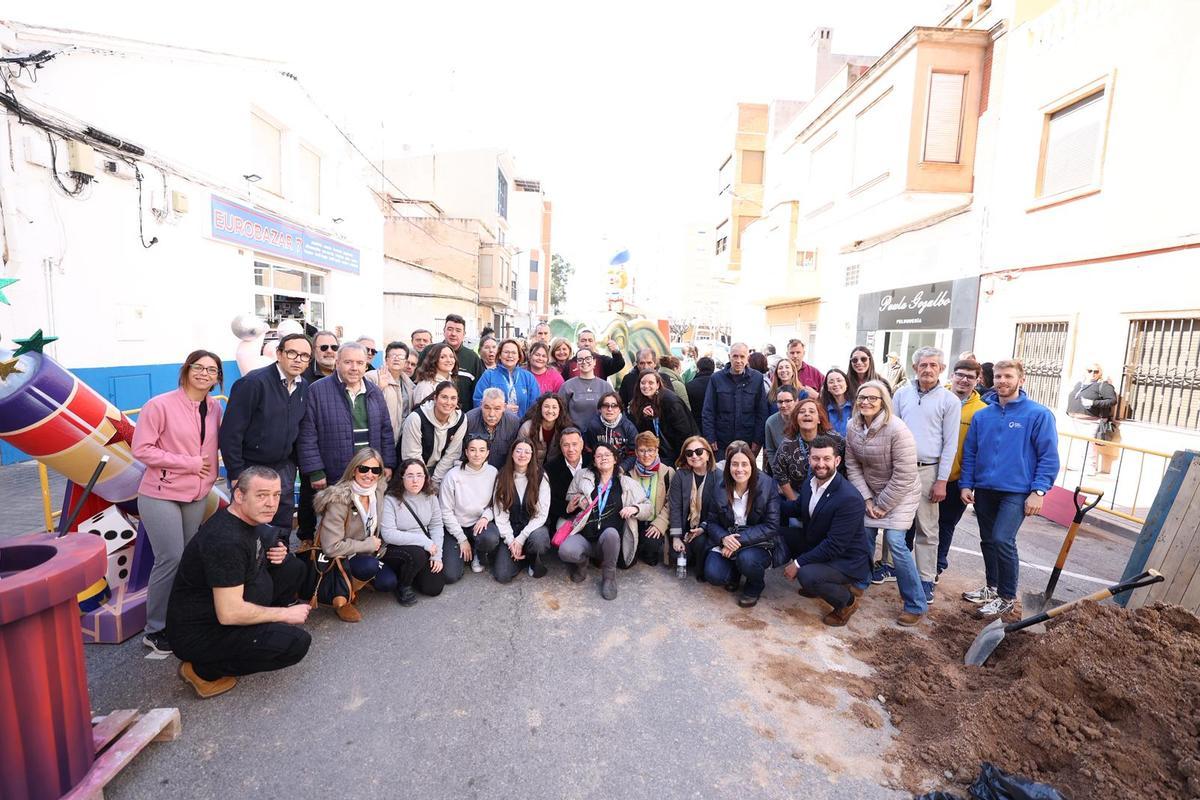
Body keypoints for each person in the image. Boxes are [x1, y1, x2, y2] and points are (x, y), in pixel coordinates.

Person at [167, 466, 311, 699]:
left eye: (276, 495)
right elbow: (229, 613)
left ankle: (260, 627)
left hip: (227, 605)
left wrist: (274, 553)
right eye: (261, 495)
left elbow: (250, 555)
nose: (271, 503)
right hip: (202, 631)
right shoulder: (226, 541)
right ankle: (202, 671)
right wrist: (283, 615)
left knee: (292, 567)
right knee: (294, 644)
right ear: (239, 495)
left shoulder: (243, 520)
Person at [133, 349, 224, 656]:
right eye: (199, 367)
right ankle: (155, 629)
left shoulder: (213, 408)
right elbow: (141, 449)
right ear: (186, 370)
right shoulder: (159, 405)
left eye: (212, 370)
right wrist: (188, 464)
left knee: (187, 560)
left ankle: (180, 618)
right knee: (170, 557)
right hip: (160, 493)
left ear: (217, 378)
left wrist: (208, 480)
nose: (204, 374)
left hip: (196, 493)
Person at [959, 359, 1059, 620]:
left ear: (1021, 380)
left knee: (1003, 539)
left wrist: (1039, 491)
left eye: (1008, 376)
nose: (1002, 381)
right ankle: (991, 589)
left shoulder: (1037, 414)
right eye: (999, 377)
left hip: (1016, 491)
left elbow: (1048, 456)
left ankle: (1006, 597)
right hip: (985, 489)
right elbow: (970, 452)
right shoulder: (983, 415)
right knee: (988, 540)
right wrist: (966, 483)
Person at [844, 380, 926, 626]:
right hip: (871, 491)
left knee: (895, 542)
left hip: (901, 493)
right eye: (862, 397)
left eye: (872, 398)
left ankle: (915, 603)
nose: (866, 402)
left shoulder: (897, 429)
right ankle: (861, 581)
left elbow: (905, 474)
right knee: (864, 536)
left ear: (883, 403)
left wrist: (883, 504)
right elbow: (852, 465)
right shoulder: (853, 426)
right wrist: (867, 498)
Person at [220, 334, 309, 535]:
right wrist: (235, 473)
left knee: (281, 525)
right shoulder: (253, 383)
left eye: (304, 356)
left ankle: (278, 563)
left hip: (283, 468)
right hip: (250, 468)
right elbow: (230, 433)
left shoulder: (303, 386)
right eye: (292, 353)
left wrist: (294, 465)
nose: (298, 359)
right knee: (248, 526)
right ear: (279, 354)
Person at [892, 347, 961, 604]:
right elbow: (893, 431)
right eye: (923, 365)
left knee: (927, 529)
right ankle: (890, 568)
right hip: (900, 467)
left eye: (934, 365)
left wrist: (942, 480)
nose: (928, 369)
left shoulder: (949, 401)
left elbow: (950, 443)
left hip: (928, 469)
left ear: (942, 369)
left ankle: (925, 579)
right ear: (915, 368)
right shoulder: (901, 394)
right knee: (894, 522)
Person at [781, 436, 871, 627]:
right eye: (815, 458)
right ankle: (817, 582)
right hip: (820, 543)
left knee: (806, 574)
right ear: (809, 459)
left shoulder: (849, 498)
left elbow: (834, 546)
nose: (820, 464)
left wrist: (797, 563)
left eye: (826, 459)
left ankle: (846, 603)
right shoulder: (810, 483)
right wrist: (766, 502)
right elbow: (797, 508)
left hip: (846, 560)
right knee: (782, 534)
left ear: (837, 461)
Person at [297, 343, 396, 514]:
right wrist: (315, 471)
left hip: (368, 471)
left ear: (366, 365)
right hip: (335, 471)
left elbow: (385, 431)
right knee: (334, 520)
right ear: (337, 362)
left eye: (359, 363)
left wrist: (387, 464)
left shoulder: (375, 392)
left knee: (364, 516)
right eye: (348, 362)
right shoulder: (317, 390)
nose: (354, 368)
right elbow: (307, 434)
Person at [311, 449, 396, 622]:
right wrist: (368, 545)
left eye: (375, 470)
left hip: (368, 553)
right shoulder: (339, 500)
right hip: (339, 558)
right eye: (363, 469)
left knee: (388, 582)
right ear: (353, 469)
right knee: (369, 566)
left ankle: (358, 581)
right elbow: (330, 547)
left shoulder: (378, 490)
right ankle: (342, 598)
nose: (369, 474)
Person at [559, 442, 650, 600]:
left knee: (612, 534)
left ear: (615, 459)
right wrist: (579, 499)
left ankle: (609, 578)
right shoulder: (583, 475)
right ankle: (582, 565)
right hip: (585, 535)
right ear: (594, 460)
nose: (603, 458)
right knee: (565, 550)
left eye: (607, 455)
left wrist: (635, 509)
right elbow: (569, 495)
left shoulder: (626, 483)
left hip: (609, 539)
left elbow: (648, 508)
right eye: (599, 456)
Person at [702, 441, 783, 608]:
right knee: (713, 574)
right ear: (728, 467)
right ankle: (735, 572)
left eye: (744, 464)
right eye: (735, 464)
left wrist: (737, 541)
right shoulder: (719, 487)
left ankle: (755, 585)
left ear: (752, 465)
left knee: (747, 559)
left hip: (756, 542)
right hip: (728, 538)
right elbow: (711, 522)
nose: (739, 469)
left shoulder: (768, 485)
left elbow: (771, 526)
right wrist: (724, 538)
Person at [937, 359, 987, 581]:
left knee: (945, 525)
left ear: (978, 381)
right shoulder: (937, 398)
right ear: (952, 375)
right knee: (912, 524)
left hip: (956, 479)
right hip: (927, 472)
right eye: (960, 374)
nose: (964, 380)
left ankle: (936, 567)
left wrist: (969, 483)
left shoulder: (982, 412)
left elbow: (978, 451)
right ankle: (900, 565)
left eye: (970, 376)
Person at [380, 458, 445, 605]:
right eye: (410, 475)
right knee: (417, 554)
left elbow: (436, 525)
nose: (415, 480)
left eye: (419, 475)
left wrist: (437, 556)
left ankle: (412, 572)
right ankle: (403, 586)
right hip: (396, 548)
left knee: (434, 588)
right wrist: (424, 542)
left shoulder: (430, 496)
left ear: (425, 477)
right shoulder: (390, 499)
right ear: (401, 476)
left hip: (424, 548)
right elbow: (389, 534)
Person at [487, 437, 552, 582]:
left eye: (527, 452)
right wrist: (511, 541)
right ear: (512, 453)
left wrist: (522, 538)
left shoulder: (541, 476)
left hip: (534, 529)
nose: (522, 455)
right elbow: (500, 514)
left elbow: (541, 514)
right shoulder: (502, 476)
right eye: (519, 451)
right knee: (502, 575)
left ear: (532, 455)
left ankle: (531, 557)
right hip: (511, 529)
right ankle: (519, 557)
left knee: (539, 540)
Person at [438, 434, 498, 581]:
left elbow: (496, 503)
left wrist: (486, 517)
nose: (477, 454)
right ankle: (464, 549)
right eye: (472, 450)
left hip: (480, 525)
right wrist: (461, 538)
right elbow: (445, 511)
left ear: (487, 452)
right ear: (466, 452)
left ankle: (478, 551)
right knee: (450, 575)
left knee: (489, 538)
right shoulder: (452, 476)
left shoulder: (493, 472)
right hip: (456, 526)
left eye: (482, 450)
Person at [701, 343, 769, 456]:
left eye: (742, 357)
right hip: (721, 442)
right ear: (729, 357)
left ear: (748, 358)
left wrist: (757, 440)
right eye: (735, 356)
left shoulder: (757, 378)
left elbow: (761, 412)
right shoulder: (716, 379)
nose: (738, 360)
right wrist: (710, 437)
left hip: (747, 441)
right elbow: (708, 410)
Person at [773, 397, 845, 501]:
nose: (807, 414)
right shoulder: (787, 445)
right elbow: (780, 474)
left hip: (832, 495)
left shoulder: (836, 440)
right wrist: (796, 503)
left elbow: (848, 467)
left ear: (819, 419)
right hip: (799, 496)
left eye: (812, 411)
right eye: (802, 412)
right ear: (796, 419)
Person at [400, 381, 467, 491]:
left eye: (453, 398)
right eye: (444, 397)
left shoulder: (461, 419)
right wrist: (425, 481)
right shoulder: (416, 418)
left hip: (440, 471)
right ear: (435, 398)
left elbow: (452, 453)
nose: (448, 402)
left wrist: (436, 481)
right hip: (413, 471)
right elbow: (412, 454)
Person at [668, 435, 717, 582]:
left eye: (699, 452)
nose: (694, 456)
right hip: (685, 530)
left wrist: (703, 527)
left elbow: (718, 512)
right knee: (677, 556)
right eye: (689, 453)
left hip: (707, 529)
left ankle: (702, 567)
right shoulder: (680, 475)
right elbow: (675, 507)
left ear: (708, 454)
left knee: (701, 542)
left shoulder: (718, 477)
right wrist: (676, 537)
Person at [628, 371, 695, 465]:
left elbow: (684, 431)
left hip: (675, 451)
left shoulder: (670, 401)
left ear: (658, 384)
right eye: (643, 383)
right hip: (658, 451)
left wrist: (682, 458)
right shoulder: (643, 400)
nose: (646, 386)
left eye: (651, 383)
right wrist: (644, 416)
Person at [630, 431, 676, 566]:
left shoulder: (667, 472)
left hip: (655, 521)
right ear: (636, 452)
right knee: (627, 560)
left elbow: (671, 503)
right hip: (635, 521)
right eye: (642, 450)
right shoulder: (629, 473)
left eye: (650, 450)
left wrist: (659, 524)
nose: (646, 455)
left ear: (657, 451)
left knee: (651, 554)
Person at [1066, 362, 1120, 474]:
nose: (1093, 374)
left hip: (1092, 421)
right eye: (1090, 371)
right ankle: (1079, 464)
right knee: (1079, 442)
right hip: (1076, 419)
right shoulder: (1080, 383)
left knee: (1089, 443)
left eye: (1096, 371)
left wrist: (1093, 402)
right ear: (1085, 372)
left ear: (1100, 373)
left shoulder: (1103, 385)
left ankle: (1091, 466)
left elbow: (1112, 400)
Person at [426, 314, 483, 411]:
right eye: (450, 329)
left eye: (458, 330)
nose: (453, 333)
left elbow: (478, 392)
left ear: (464, 334)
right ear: (444, 331)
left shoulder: (472, 358)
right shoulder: (428, 351)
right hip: (429, 416)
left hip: (462, 417)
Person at [473, 338, 540, 418]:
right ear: (500, 355)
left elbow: (535, 405)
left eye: (514, 353)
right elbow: (478, 402)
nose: (510, 356)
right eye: (506, 352)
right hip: (495, 426)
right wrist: (501, 409)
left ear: (519, 356)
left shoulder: (528, 377)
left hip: (522, 426)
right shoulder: (488, 376)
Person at [366, 341, 416, 447]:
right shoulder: (372, 377)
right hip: (378, 439)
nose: (396, 358)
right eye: (393, 355)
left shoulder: (410, 385)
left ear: (406, 361)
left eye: (401, 356)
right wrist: (379, 388)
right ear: (386, 359)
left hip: (401, 440)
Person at [466, 388, 521, 469]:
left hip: (502, 473)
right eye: (487, 408)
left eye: (497, 409)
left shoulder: (514, 423)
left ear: (504, 407)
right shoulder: (469, 420)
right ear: (481, 405)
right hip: (473, 473)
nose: (491, 414)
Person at [585, 390, 639, 470]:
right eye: (606, 405)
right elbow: (589, 452)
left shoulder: (629, 427)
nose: (610, 409)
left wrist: (622, 468)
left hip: (623, 469)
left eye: (614, 406)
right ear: (600, 409)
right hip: (599, 468)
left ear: (620, 409)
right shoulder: (593, 426)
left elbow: (635, 453)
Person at [545, 426, 587, 527]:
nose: (571, 449)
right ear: (560, 446)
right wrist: (566, 508)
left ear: (582, 445)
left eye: (574, 444)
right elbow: (548, 499)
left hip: (591, 513)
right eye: (566, 445)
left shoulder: (592, 462)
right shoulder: (550, 468)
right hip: (565, 516)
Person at [519, 393, 574, 466]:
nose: (550, 411)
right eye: (546, 406)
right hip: (531, 468)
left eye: (554, 407)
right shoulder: (527, 428)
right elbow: (519, 453)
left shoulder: (565, 428)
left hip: (555, 469)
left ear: (560, 410)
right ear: (540, 408)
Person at [560, 348, 611, 428]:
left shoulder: (605, 386)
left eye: (588, 358)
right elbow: (561, 412)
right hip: (575, 434)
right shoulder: (567, 386)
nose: (584, 362)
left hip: (600, 433)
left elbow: (615, 410)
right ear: (577, 364)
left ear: (594, 362)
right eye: (580, 360)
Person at [764, 386, 798, 475]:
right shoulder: (770, 422)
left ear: (796, 401)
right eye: (780, 402)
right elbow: (770, 451)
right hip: (781, 469)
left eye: (787, 401)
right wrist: (778, 473)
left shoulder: (803, 419)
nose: (783, 405)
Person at [412, 343, 459, 408]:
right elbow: (420, 413)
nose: (449, 360)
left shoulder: (451, 381)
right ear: (434, 360)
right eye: (442, 357)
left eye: (451, 356)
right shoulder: (426, 386)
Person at [820, 369, 854, 436]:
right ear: (827, 388)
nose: (835, 384)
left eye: (839, 380)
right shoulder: (822, 409)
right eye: (831, 382)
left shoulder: (857, 406)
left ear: (846, 384)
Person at [686, 356, 715, 429]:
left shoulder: (689, 386)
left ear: (698, 368)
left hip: (696, 424)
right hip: (715, 424)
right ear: (713, 369)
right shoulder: (719, 384)